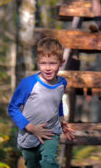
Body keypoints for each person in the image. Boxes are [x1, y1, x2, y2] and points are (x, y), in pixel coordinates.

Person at [8, 37, 75, 168]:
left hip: (51, 132)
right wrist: (31, 128)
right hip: (28, 134)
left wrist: (61, 121)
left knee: (48, 162)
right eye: (43, 63)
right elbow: (13, 108)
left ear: (61, 62)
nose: (48, 68)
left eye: (52, 63)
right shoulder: (28, 83)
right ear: (37, 62)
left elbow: (57, 102)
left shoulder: (62, 83)